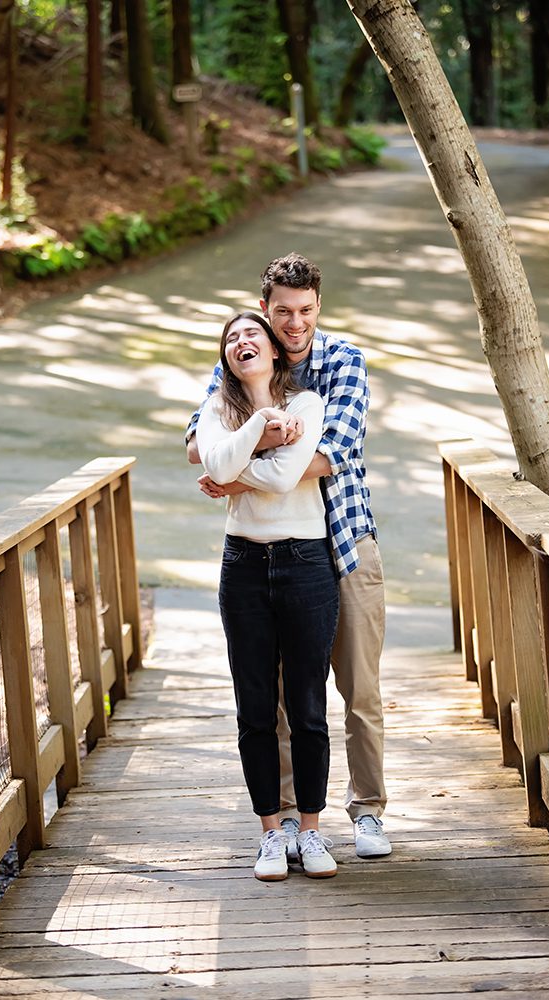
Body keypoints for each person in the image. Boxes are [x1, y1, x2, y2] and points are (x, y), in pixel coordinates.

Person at [186, 253, 391, 862]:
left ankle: (367, 811)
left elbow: (330, 456)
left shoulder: (344, 361)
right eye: (283, 311)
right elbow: (197, 444)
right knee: (276, 695)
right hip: (272, 552)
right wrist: (259, 443)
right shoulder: (246, 352)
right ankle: (287, 822)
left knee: (358, 687)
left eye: (305, 310)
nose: (294, 323)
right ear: (266, 308)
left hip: (344, 540)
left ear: (318, 307)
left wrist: (237, 472)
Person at [195, 310, 340, 882]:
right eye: (231, 338)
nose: (242, 342)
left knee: (307, 705)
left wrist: (234, 474)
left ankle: (311, 829)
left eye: (251, 333)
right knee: (254, 707)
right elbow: (212, 459)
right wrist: (261, 429)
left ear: (275, 348)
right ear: (227, 357)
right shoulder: (218, 410)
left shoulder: (307, 403)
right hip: (244, 566)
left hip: (306, 562)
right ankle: (271, 834)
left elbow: (282, 480)